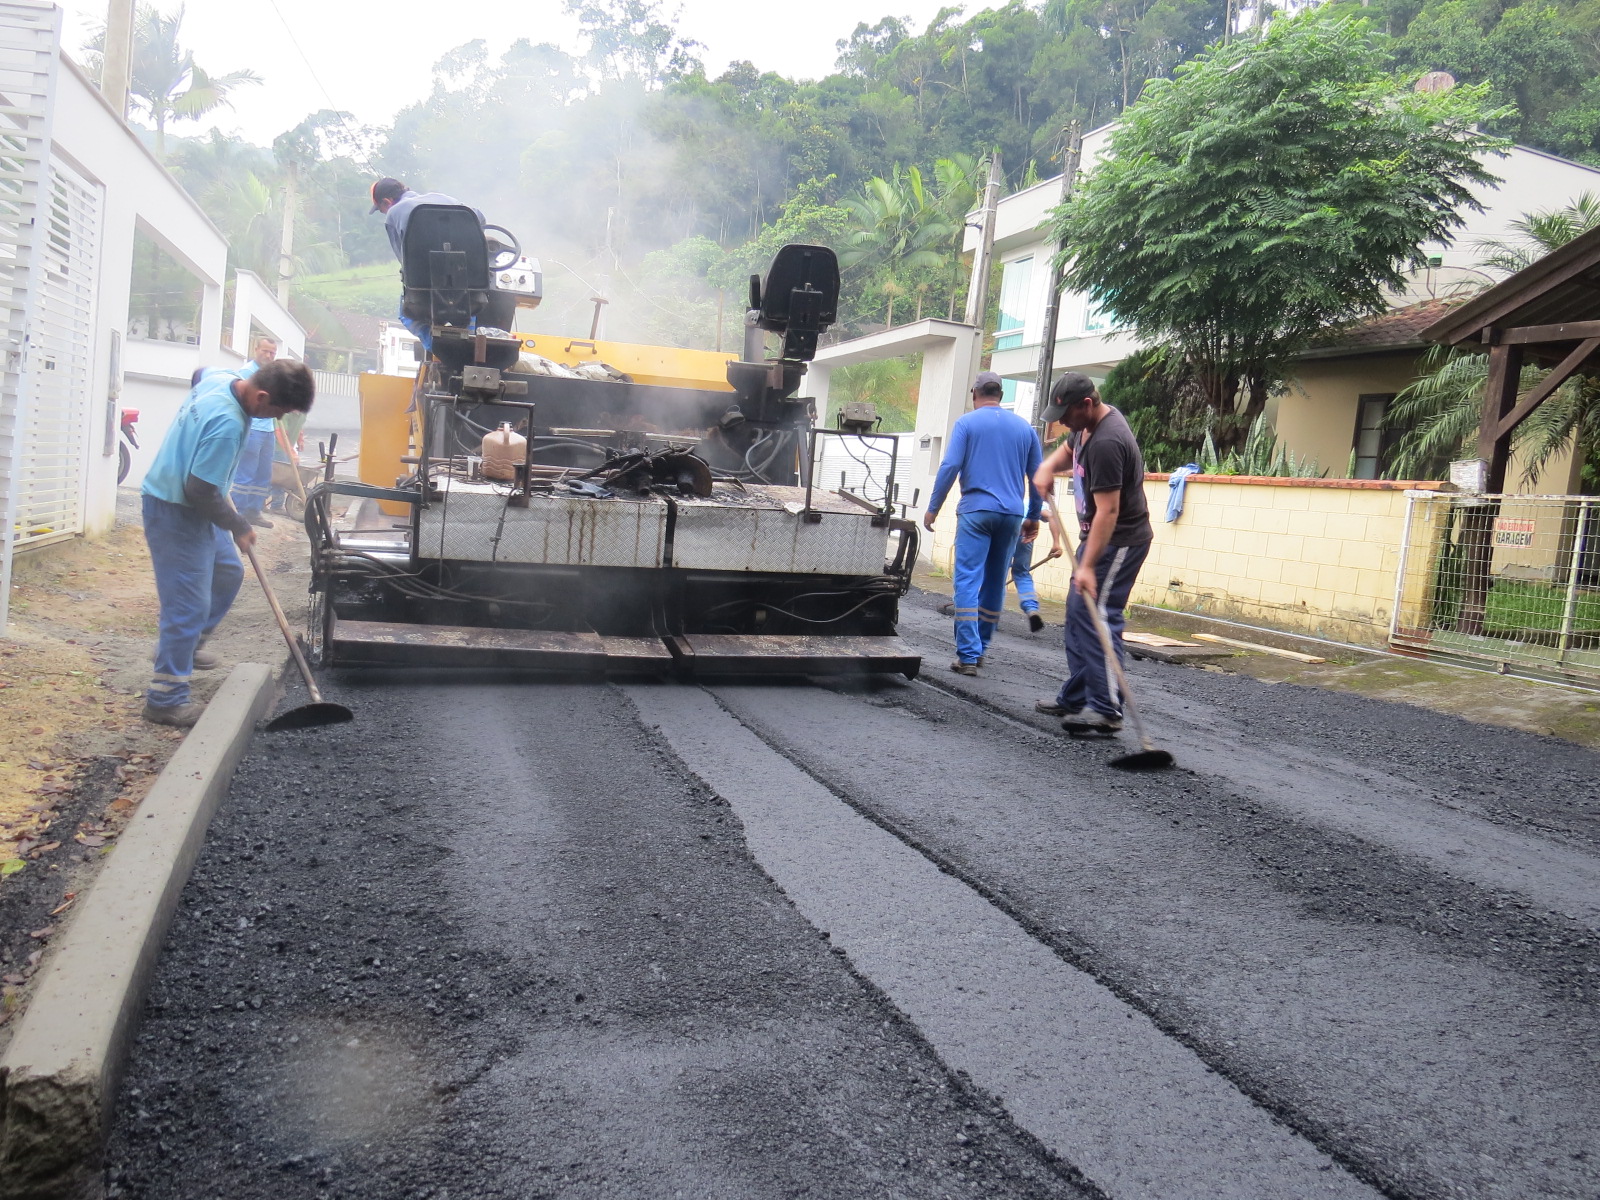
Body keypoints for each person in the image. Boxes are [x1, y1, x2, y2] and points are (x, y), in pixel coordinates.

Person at [141, 360, 316, 728]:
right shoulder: (228, 424)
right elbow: (199, 490)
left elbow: (199, 372)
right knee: (187, 605)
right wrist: (238, 525)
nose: (278, 419)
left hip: (199, 504)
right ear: (262, 395)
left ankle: (187, 647)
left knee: (227, 572)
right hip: (176, 508)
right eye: (278, 411)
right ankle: (165, 699)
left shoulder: (223, 380)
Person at [1032, 372, 1153, 734]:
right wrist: (1046, 467)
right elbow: (1069, 448)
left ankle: (1108, 707)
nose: (1061, 421)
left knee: (1097, 616)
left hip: (1120, 540)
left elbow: (1109, 513)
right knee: (1079, 612)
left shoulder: (1107, 441)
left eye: (1065, 414)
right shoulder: (1085, 427)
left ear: (1086, 404)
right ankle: (1077, 695)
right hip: (1100, 538)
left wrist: (1086, 566)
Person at [922, 371, 1044, 675]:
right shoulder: (1025, 429)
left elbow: (951, 465)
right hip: (1012, 514)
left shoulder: (966, 423)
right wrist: (1033, 516)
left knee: (967, 580)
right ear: (1000, 394)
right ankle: (981, 650)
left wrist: (933, 508)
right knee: (994, 582)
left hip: (976, 512)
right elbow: (1039, 476)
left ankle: (967, 654)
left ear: (975, 393)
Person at [368, 177, 483, 350]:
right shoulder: (445, 198)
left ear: (387, 201)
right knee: (470, 305)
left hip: (423, 289)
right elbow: (479, 218)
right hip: (468, 283)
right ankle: (470, 340)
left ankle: (436, 346)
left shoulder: (393, 214)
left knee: (405, 315)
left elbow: (403, 258)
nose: (384, 212)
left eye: (381, 209)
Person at [229, 337, 279, 529]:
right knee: (246, 473)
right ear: (256, 349)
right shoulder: (247, 373)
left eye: (272, 353)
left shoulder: (271, 375)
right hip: (252, 429)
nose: (268, 355)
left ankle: (254, 511)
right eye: (265, 351)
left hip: (268, 430)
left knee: (264, 474)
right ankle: (238, 513)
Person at [1009, 495, 1068, 632]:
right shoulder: (1040, 504)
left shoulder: (1025, 501)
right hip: (1025, 536)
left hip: (1012, 529)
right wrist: (1056, 544)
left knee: (998, 572)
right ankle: (1031, 609)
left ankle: (989, 613)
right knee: (1022, 573)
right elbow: (1051, 516)